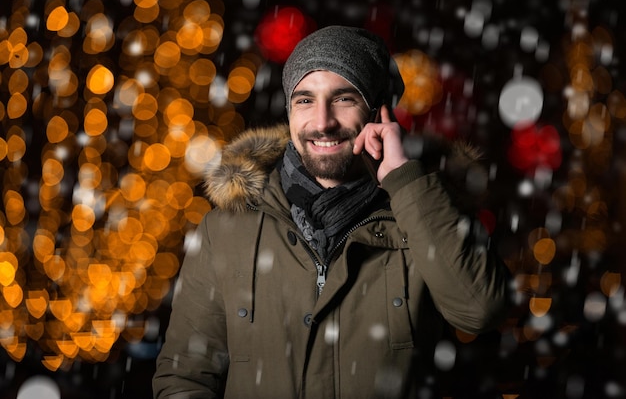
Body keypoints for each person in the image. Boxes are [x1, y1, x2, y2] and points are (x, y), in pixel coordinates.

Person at [153, 25, 511, 398]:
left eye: (343, 99)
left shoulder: (426, 212)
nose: (322, 122)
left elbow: (479, 311)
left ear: (379, 110)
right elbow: (185, 378)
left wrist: (406, 182)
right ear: (289, 111)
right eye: (305, 100)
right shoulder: (227, 229)